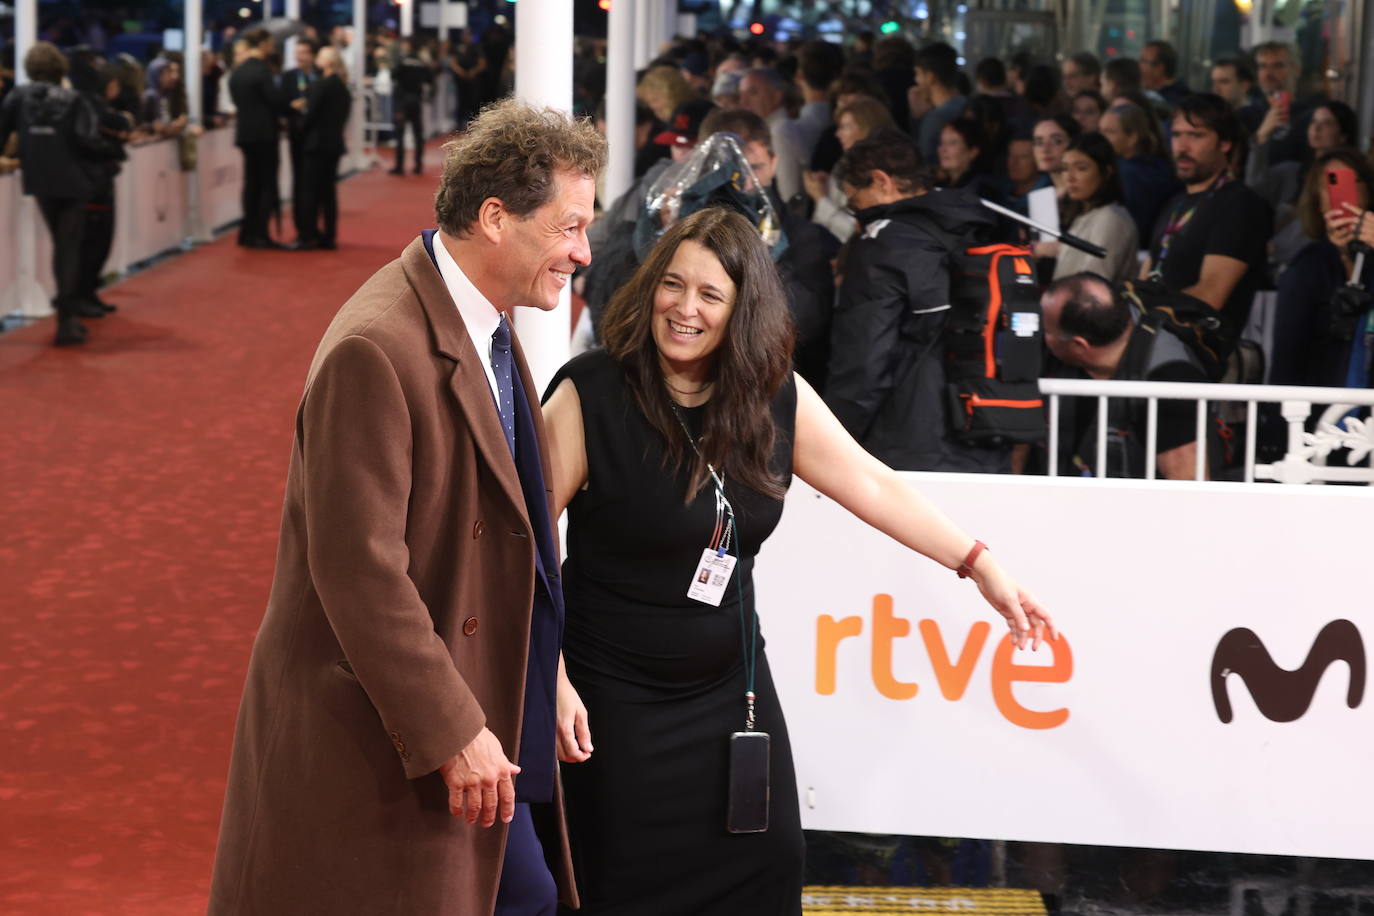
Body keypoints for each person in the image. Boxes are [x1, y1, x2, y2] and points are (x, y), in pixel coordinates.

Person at [543, 205, 1054, 915]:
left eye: (710, 295)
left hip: (731, 697)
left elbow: (871, 481)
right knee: (622, 886)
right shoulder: (589, 393)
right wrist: (551, 674)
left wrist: (979, 563)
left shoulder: (770, 396)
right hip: (608, 704)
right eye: (673, 284)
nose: (684, 308)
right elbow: (522, 544)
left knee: (768, 861)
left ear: (741, 310)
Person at [208, 100, 605, 915]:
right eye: (569, 227)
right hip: (388, 740)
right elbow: (359, 572)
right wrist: (452, 728)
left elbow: (508, 536)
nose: (583, 251)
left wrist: (544, 674)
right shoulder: (375, 348)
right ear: (496, 218)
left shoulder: (484, 323)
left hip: (473, 713)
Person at [825, 129, 1013, 472]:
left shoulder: (883, 245)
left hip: (908, 444)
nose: (856, 215)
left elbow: (864, 360)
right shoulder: (980, 231)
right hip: (990, 433)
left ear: (882, 181)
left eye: (854, 202)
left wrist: (832, 442)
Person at [0, 42, 119, 345]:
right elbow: (88, 140)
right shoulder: (73, 99)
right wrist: (114, 150)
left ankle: (68, 315)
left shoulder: (18, 96)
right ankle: (67, 320)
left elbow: (2, 132)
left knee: (62, 245)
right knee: (68, 248)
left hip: (39, 180)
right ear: (59, 68)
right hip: (72, 180)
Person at [1042, 272, 1210, 479]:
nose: (1040, 336)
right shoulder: (1066, 355)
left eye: (1047, 331)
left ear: (1079, 345)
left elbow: (1188, 486)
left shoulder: (1170, 379)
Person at [1140, 93, 1273, 340]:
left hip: (1201, 355)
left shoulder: (1240, 203)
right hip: (1155, 340)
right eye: (1177, 135)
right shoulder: (1175, 202)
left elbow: (1212, 294)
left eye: (1196, 135)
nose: (1182, 147)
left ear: (1225, 143)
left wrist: (1144, 313)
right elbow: (1146, 277)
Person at [1270, 149, 1374, 388]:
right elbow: (1287, 355)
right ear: (1317, 199)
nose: (1342, 194)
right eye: (1330, 183)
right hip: (1322, 404)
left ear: (1368, 190)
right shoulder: (1307, 265)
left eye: (1351, 181)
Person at [1040, 132, 1138, 282]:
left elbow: (1092, 285)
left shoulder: (1110, 219)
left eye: (1081, 168)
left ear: (1106, 171)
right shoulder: (1083, 216)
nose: (1070, 177)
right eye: (1065, 168)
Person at [804, 95, 893, 242]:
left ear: (866, 129)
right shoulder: (843, 164)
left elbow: (857, 233)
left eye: (845, 127)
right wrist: (828, 186)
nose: (837, 134)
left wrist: (820, 199)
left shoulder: (879, 174)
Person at [228, 28, 287, 249]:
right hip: (264, 135)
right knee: (266, 185)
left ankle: (247, 232)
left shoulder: (239, 71)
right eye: (270, 42)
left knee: (250, 183)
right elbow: (275, 101)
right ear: (262, 43)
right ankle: (260, 234)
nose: (272, 46)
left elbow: (236, 98)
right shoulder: (262, 71)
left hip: (245, 134)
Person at [293, 46, 351, 251]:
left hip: (316, 145)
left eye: (319, 55)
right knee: (328, 192)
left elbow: (310, 116)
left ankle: (307, 235)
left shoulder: (320, 85)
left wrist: (298, 128)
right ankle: (329, 235)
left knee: (309, 191)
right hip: (333, 144)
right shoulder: (342, 88)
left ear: (328, 62)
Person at [1099, 102, 1180, 245]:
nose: (1101, 139)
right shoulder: (1161, 166)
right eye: (1101, 132)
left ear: (1132, 137)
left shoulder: (1130, 175)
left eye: (1109, 132)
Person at [280, 38, 318, 241]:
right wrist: (291, 106)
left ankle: (314, 228)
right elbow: (281, 104)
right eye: (297, 53)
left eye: (304, 52)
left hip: (316, 138)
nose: (300, 57)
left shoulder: (319, 77)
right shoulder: (288, 77)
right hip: (296, 136)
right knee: (299, 183)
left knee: (314, 184)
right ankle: (301, 229)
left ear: (312, 55)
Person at [912, 42, 967, 163]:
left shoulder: (936, 118)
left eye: (918, 74)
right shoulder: (967, 105)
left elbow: (924, 161)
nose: (916, 80)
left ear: (931, 77)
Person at [391, 37, 433, 175]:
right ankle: (418, 165)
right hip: (416, 100)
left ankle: (399, 166)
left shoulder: (402, 61)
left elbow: (394, 75)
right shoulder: (421, 62)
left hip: (402, 101)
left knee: (400, 134)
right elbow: (429, 78)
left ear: (408, 46)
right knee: (418, 134)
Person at [1210, 55, 1262, 134]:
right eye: (1214, 82)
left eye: (1224, 82)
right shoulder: (1210, 115)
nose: (1215, 89)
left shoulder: (1259, 117)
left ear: (1245, 86)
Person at [1139, 40, 1190, 108]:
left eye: (1143, 61)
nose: (1139, 65)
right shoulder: (1142, 92)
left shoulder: (1177, 102)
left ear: (1159, 68)